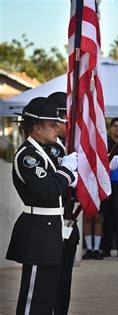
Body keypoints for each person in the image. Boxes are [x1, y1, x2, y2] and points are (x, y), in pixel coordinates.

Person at [6, 97, 78, 314]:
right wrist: (66, 172)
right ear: (36, 127)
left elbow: (65, 186)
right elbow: (47, 190)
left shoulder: (51, 150)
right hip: (38, 229)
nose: (58, 128)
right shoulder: (28, 156)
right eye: (52, 124)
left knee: (52, 294)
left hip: (54, 229)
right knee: (35, 297)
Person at [47, 91, 82, 314]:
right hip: (53, 221)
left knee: (63, 282)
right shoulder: (51, 148)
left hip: (67, 221)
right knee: (52, 282)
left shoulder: (63, 145)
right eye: (65, 118)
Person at [101, 118, 118, 257]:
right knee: (108, 219)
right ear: (110, 128)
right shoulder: (105, 143)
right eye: (115, 126)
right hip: (108, 185)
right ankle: (106, 247)